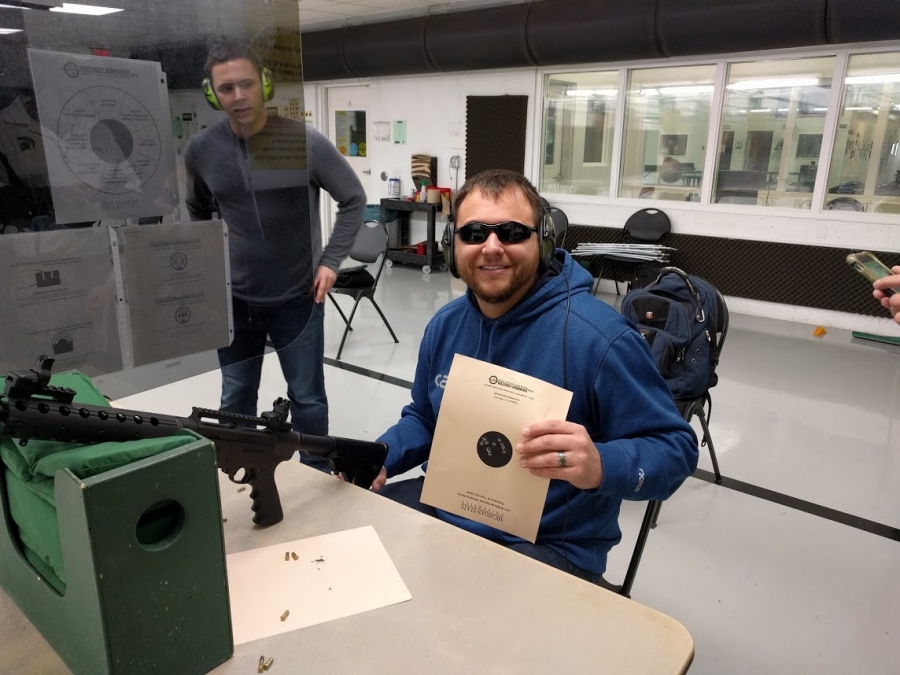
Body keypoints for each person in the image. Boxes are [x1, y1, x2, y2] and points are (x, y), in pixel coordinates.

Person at [371, 169, 698, 584]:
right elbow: (423, 418)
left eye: (510, 232)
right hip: (444, 509)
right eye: (473, 234)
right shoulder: (446, 325)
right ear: (451, 245)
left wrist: (600, 463)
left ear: (542, 243)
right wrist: (383, 455)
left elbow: (676, 450)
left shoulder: (600, 339)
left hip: (547, 547)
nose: (491, 247)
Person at [184, 40, 365, 467]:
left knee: (306, 396)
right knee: (235, 396)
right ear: (213, 94)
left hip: (298, 298)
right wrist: (210, 262)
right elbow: (198, 209)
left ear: (264, 84)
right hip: (235, 302)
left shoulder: (304, 142)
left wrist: (330, 261)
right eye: (226, 88)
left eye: (246, 84)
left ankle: (316, 473)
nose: (238, 96)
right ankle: (237, 469)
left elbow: (353, 198)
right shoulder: (201, 151)